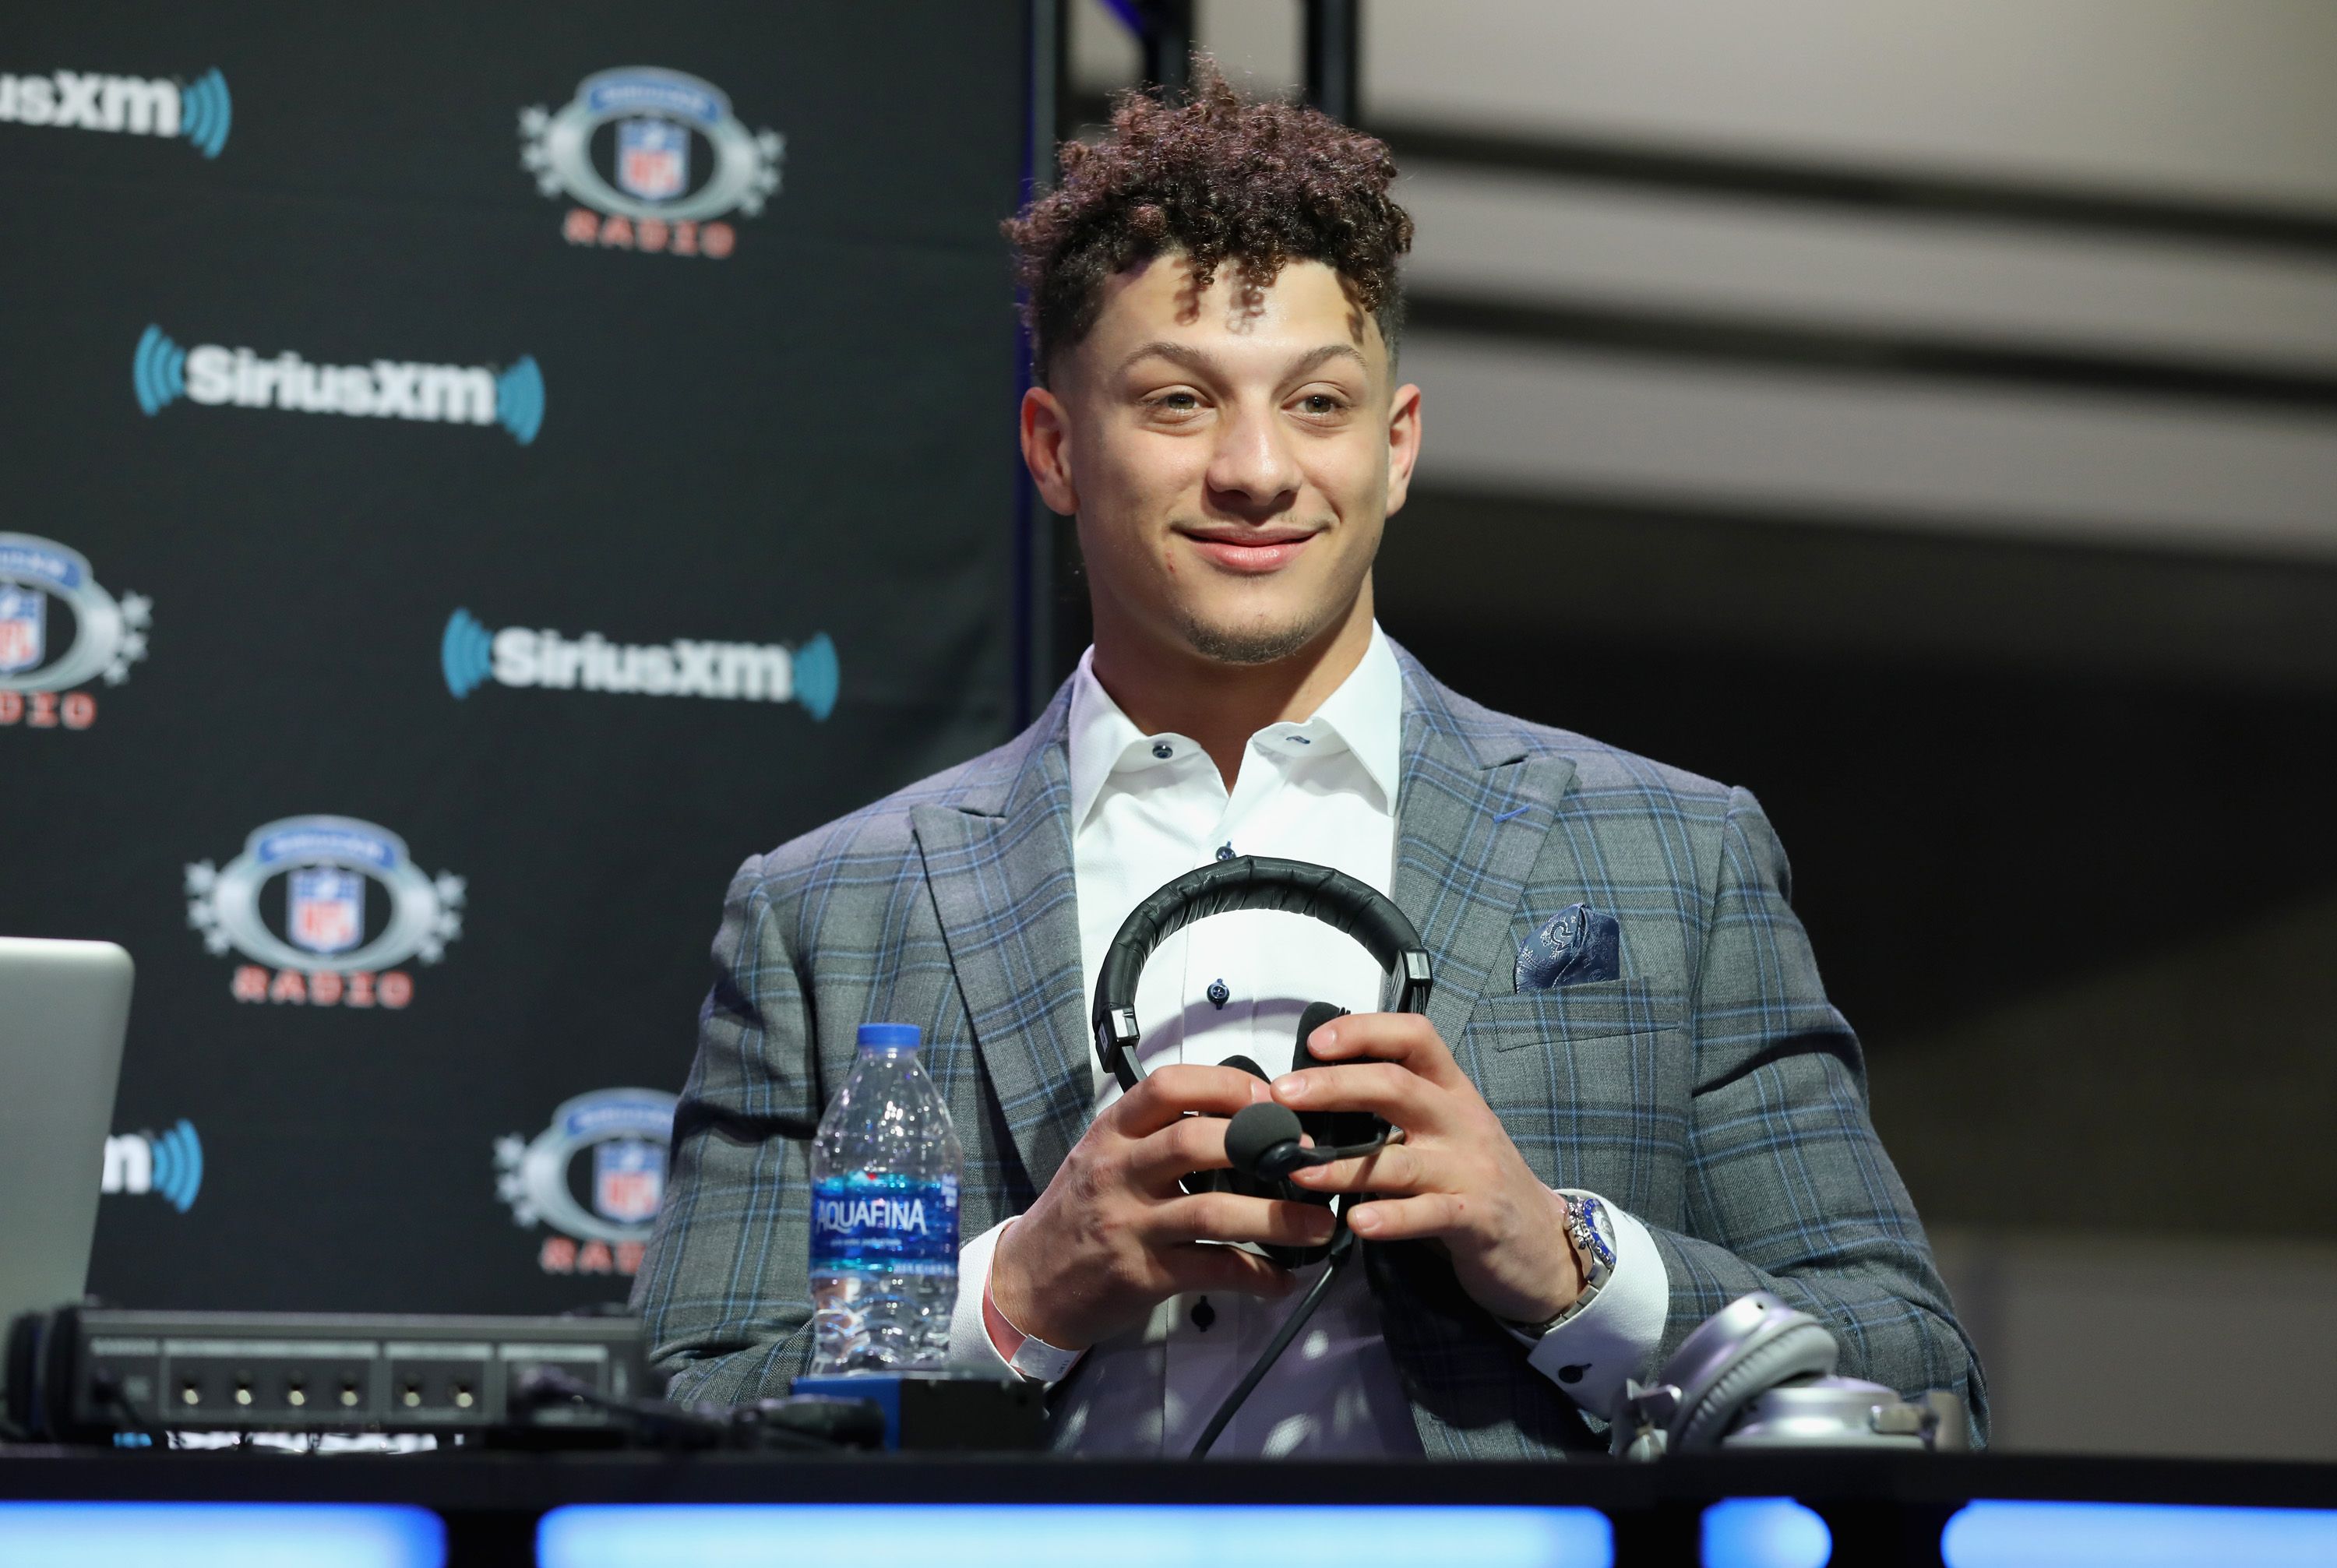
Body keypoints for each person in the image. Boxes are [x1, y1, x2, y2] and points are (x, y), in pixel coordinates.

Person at [633, 65, 1984, 1459]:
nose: (1258, 468)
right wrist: (1020, 1289)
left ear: (1396, 448)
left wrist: (1568, 1257)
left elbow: (1913, 1375)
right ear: (1052, 447)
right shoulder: (828, 909)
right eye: (1176, 402)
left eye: (1320, 403)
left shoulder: (1674, 857)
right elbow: (685, 1415)